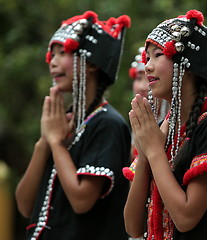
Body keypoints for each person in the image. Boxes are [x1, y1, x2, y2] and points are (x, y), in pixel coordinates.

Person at [123, 9, 207, 240]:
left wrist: (153, 151)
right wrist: (144, 155)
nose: (148, 67)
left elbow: (185, 218)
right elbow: (133, 227)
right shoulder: (164, 127)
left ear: (188, 65)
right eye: (147, 58)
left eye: (158, 55)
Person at [15, 11, 132, 239]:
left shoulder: (107, 124)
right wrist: (44, 142)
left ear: (91, 64)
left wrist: (57, 144)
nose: (52, 61)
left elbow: (81, 200)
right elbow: (24, 205)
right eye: (52, 54)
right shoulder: (63, 122)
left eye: (63, 52)